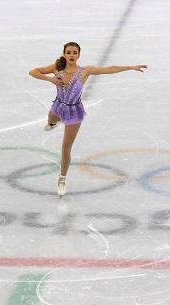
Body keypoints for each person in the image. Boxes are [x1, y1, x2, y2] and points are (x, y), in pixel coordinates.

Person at [29, 42, 147, 196]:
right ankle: (52, 123)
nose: (71, 55)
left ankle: (62, 179)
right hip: (58, 106)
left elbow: (109, 69)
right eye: (69, 52)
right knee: (51, 120)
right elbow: (33, 72)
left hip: (74, 111)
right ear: (64, 54)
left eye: (74, 52)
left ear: (78, 55)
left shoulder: (85, 71)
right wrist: (51, 80)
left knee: (65, 148)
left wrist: (130, 67)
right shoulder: (56, 67)